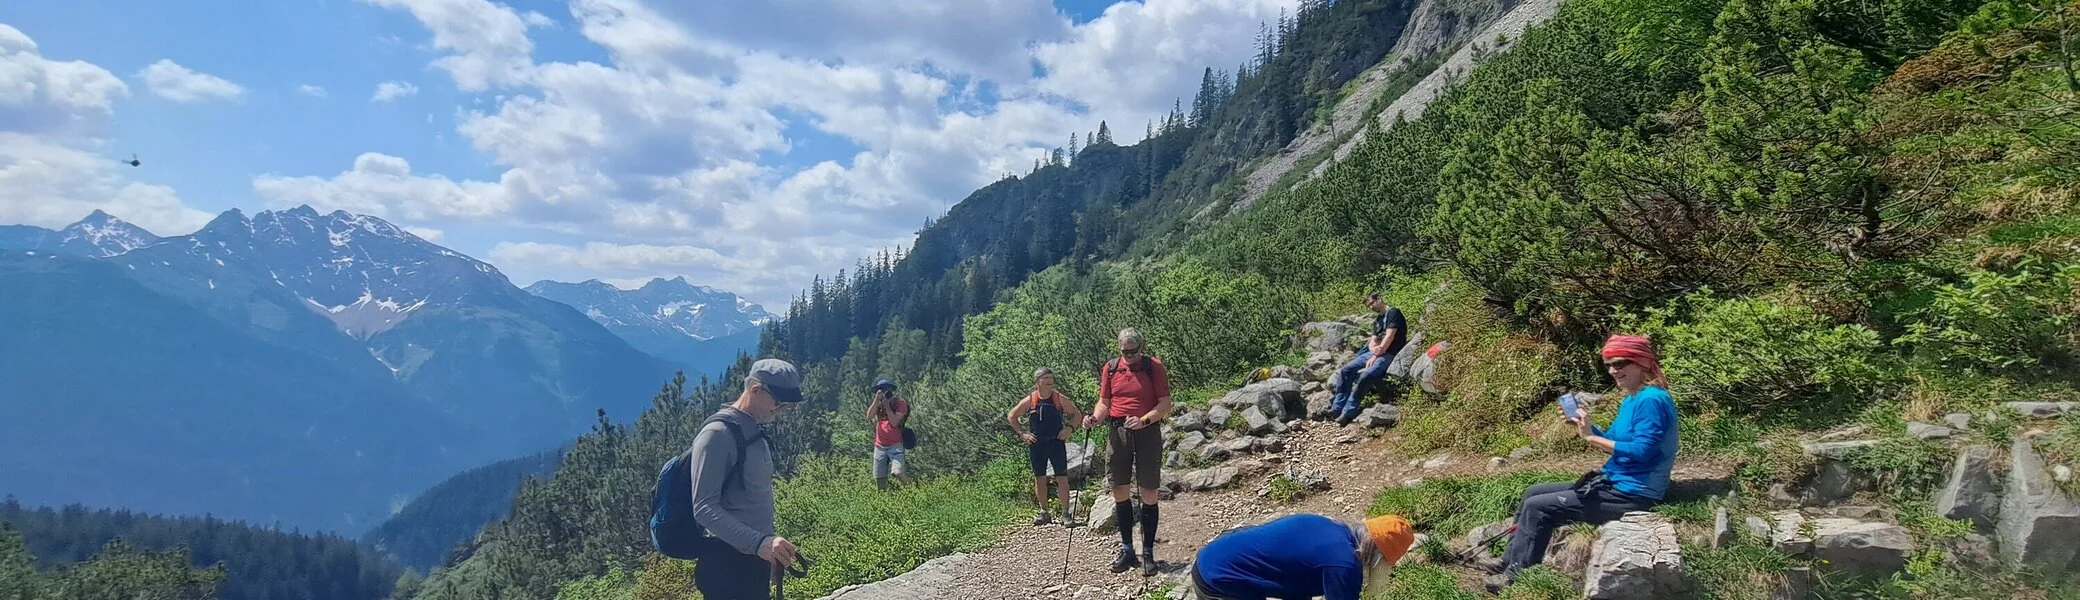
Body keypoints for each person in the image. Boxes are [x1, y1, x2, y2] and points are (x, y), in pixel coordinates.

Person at [1485, 334, 1678, 592]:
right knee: (1533, 492)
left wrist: (1590, 438)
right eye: (1609, 364)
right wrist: (1586, 427)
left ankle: (1516, 579)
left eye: (1620, 363)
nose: (1613, 370)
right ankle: (1509, 560)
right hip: (1615, 482)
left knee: (1538, 508)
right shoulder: (1632, 397)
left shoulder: (1651, 400)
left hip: (1634, 493)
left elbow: (1642, 451)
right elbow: (1615, 441)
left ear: (1641, 363)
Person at [689, 358, 807, 600]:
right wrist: (759, 544)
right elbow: (703, 507)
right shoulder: (716, 435)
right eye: (778, 403)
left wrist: (767, 549)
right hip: (726, 564)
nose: (782, 411)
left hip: (753, 559)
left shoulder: (752, 428)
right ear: (755, 390)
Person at [1084, 327, 1174, 576]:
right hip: (1118, 429)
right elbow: (1105, 402)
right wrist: (1094, 417)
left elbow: (1165, 403)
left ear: (1141, 348)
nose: (1129, 356)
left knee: (1149, 490)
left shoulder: (1153, 366)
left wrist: (1144, 420)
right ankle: (1127, 549)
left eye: (1133, 351)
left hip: (1146, 430)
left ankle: (1147, 552)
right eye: (1124, 351)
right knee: (1119, 487)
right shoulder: (1111, 367)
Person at [1190, 514, 1416, 600]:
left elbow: (1293, 577)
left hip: (1211, 561)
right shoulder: (1344, 565)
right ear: (1378, 557)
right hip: (1219, 582)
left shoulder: (1326, 526)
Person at [1008, 367, 1086, 526]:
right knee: (1040, 478)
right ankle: (1044, 512)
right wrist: (1023, 433)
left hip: (1056, 442)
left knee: (1062, 477)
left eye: (1051, 378)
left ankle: (1066, 514)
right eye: (1046, 378)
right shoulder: (1030, 400)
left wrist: (1069, 429)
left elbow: (1077, 414)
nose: (1050, 381)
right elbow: (1012, 416)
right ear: (1037, 382)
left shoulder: (1058, 398)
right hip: (1037, 444)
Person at [1330, 293, 1408, 425]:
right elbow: (1372, 341)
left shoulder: (1393, 313)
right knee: (1346, 370)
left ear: (1379, 299)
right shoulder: (1378, 320)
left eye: (1372, 303)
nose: (1371, 307)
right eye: (1369, 305)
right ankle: (1336, 408)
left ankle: (1348, 412)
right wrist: (1373, 352)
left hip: (1390, 353)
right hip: (1375, 353)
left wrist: (1377, 354)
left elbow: (1390, 336)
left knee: (1367, 375)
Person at [866, 379, 912, 490]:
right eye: (882, 390)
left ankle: (914, 491)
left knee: (897, 472)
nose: (886, 392)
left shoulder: (900, 403)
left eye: (887, 389)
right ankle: (883, 502)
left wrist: (887, 406)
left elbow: (895, 422)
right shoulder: (879, 404)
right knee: (880, 480)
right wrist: (877, 400)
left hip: (895, 445)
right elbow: (869, 416)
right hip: (880, 446)